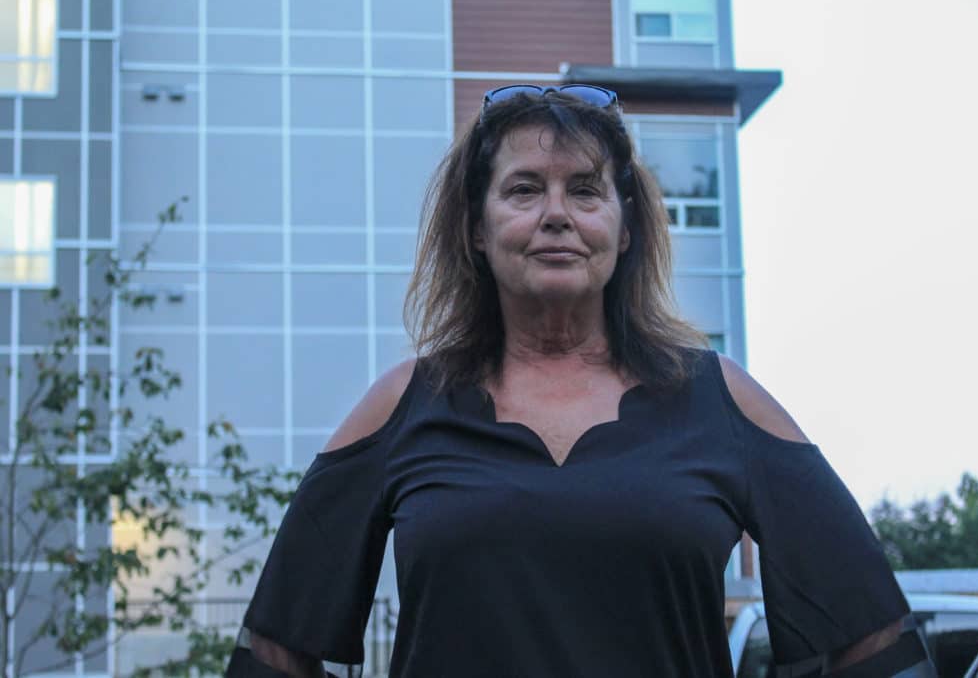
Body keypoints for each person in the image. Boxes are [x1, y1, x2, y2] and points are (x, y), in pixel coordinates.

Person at [226, 86, 936, 677]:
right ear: (477, 227)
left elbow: (873, 636)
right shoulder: (403, 403)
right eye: (525, 189)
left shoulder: (720, 397)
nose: (556, 213)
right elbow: (274, 650)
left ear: (624, 230)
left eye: (586, 190)